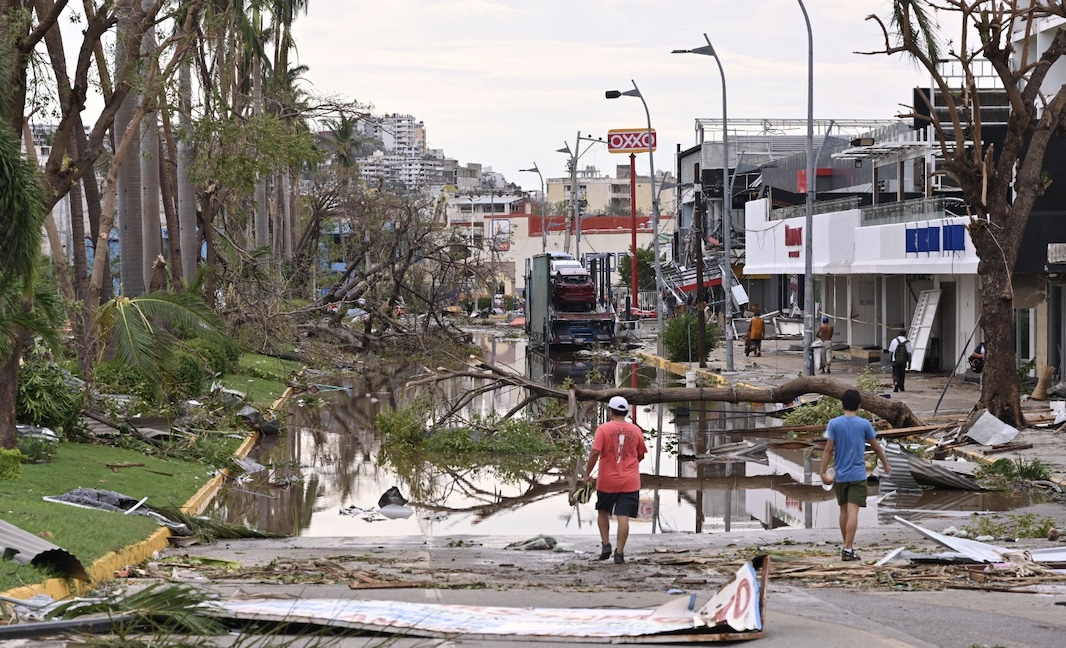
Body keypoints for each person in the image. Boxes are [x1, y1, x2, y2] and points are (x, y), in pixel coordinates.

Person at [819, 389, 891, 562]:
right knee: (853, 512)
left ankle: (847, 547)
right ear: (859, 405)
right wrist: (885, 464)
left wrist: (822, 471)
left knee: (843, 510)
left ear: (842, 404)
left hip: (840, 475)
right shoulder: (864, 424)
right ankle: (848, 548)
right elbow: (876, 447)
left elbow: (828, 449)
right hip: (858, 475)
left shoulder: (834, 424)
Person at [582, 396, 647, 565]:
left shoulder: (603, 429)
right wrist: (629, 466)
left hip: (607, 480)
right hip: (630, 481)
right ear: (625, 412)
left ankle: (605, 545)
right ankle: (619, 553)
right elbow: (640, 454)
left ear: (610, 412)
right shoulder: (636, 430)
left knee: (603, 511)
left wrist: (587, 473)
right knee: (623, 516)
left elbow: (595, 453)